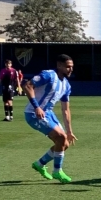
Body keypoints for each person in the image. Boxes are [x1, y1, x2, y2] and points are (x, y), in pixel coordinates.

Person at [24, 54, 78, 183]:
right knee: (60, 137)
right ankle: (57, 171)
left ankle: (40, 164)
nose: (70, 69)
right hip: (33, 113)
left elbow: (65, 109)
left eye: (72, 67)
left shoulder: (66, 85)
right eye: (67, 67)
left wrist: (69, 131)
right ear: (59, 65)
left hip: (48, 113)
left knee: (64, 143)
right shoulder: (48, 75)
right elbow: (28, 86)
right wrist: (36, 107)